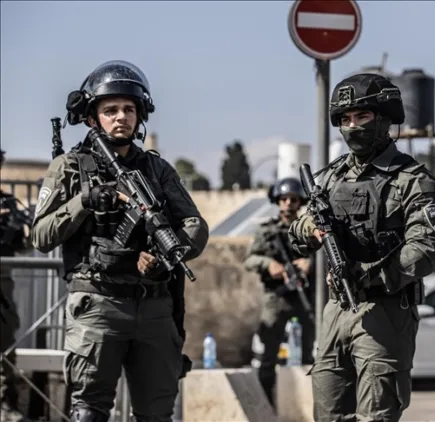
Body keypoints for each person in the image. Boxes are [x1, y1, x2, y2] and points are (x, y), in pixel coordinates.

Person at [30, 60, 209, 422]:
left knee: (157, 414)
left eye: (129, 109)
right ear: (92, 118)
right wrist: (84, 202)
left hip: (153, 305)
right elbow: (41, 235)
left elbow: (194, 225)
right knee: (89, 412)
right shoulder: (70, 167)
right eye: (110, 110)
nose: (121, 117)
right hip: (98, 304)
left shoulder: (157, 169)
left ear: (140, 114)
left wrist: (162, 257)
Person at [288, 73, 435, 421]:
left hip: (385, 312)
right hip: (336, 311)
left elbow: (426, 249)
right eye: (346, 119)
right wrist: (312, 230)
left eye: (361, 116)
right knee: (327, 414)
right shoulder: (330, 178)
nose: (353, 126)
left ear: (384, 119)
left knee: (376, 416)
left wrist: (365, 275)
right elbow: (296, 234)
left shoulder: (413, 180)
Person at [243, 177, 316, 409]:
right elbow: (250, 260)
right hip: (276, 297)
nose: (289, 203)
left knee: (308, 354)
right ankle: (267, 405)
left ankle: (307, 405)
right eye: (284, 199)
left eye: (293, 199)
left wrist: (310, 262)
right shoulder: (267, 231)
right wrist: (269, 265)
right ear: (277, 201)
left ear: (300, 202)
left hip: (305, 298)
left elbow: (327, 254)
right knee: (269, 355)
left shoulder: (310, 229)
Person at [0, 149, 33, 422]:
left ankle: (6, 405)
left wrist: (23, 232)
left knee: (6, 342)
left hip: (3, 281)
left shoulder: (8, 202)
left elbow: (25, 247)